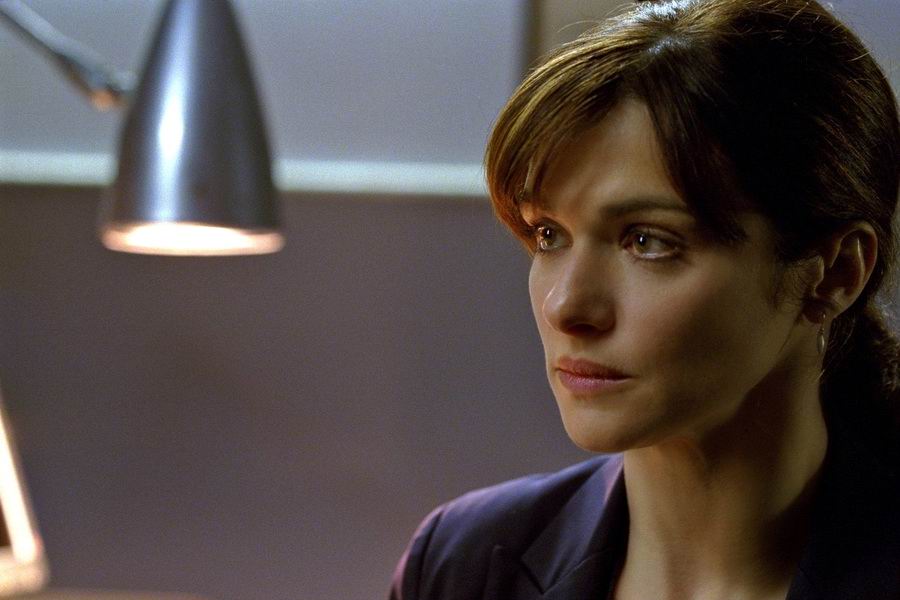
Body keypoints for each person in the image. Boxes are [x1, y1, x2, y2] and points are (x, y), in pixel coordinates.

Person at [390, 0, 900, 598]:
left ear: (835, 273)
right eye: (549, 235)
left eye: (647, 241)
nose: (565, 307)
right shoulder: (462, 564)